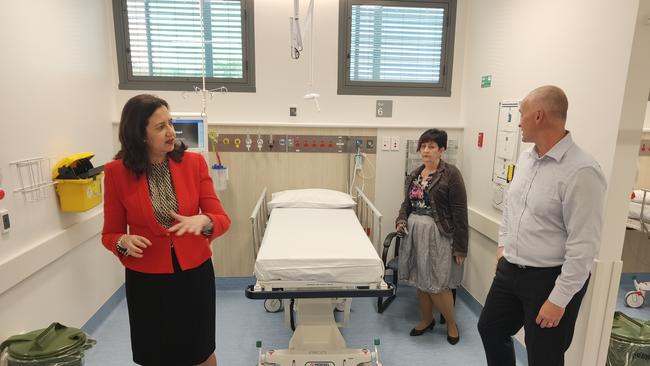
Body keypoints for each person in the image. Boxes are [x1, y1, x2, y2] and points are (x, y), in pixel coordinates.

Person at [477, 85, 607, 366]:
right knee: (490, 328)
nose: (519, 121)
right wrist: (502, 247)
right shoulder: (527, 159)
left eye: (522, 114)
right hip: (511, 270)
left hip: (549, 279)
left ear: (538, 116)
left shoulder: (581, 171)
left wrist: (559, 299)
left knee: (544, 356)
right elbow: (513, 208)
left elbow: (583, 246)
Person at [102, 94, 231, 366]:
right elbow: (109, 235)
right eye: (160, 127)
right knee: (155, 354)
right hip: (146, 281)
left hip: (194, 275)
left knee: (201, 352)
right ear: (140, 134)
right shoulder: (116, 173)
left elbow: (221, 218)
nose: (171, 132)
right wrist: (123, 241)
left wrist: (204, 221)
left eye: (170, 123)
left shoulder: (194, 164)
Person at [395, 128, 468, 345]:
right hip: (415, 233)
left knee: (439, 284)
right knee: (421, 281)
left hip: (439, 234)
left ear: (442, 150)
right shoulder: (415, 174)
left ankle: (452, 323)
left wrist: (461, 248)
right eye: (423, 146)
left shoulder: (451, 174)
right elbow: (405, 205)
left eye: (431, 146)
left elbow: (460, 212)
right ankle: (426, 320)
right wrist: (401, 220)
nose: (426, 150)